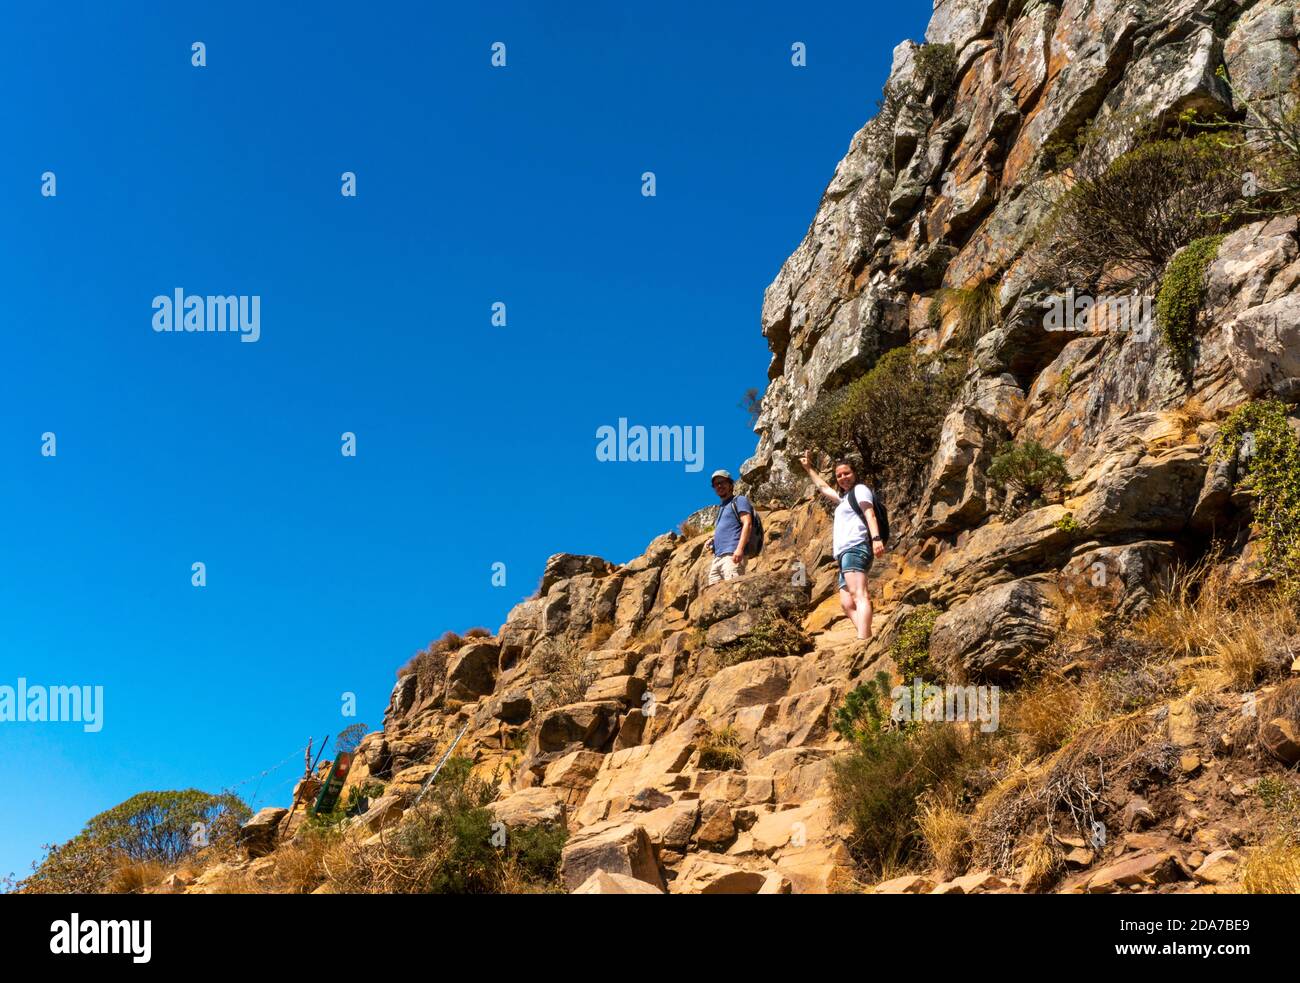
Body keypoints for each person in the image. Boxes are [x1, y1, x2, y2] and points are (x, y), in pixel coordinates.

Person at [798, 452, 886, 640]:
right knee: (847, 604)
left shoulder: (860, 490)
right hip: (845, 554)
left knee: (859, 594)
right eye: (839, 476)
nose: (843, 478)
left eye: (846, 473)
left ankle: (863, 640)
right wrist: (809, 468)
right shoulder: (844, 499)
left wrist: (876, 538)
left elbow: (869, 513)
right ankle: (867, 636)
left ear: (854, 474)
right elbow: (823, 487)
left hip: (856, 546)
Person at [707, 469, 753, 585]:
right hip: (717, 558)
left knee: (735, 593)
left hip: (732, 555)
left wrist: (740, 549)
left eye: (722, 482)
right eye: (716, 484)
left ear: (730, 484)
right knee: (714, 598)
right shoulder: (721, 508)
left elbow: (747, 523)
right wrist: (712, 540)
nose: (719, 486)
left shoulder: (739, 500)